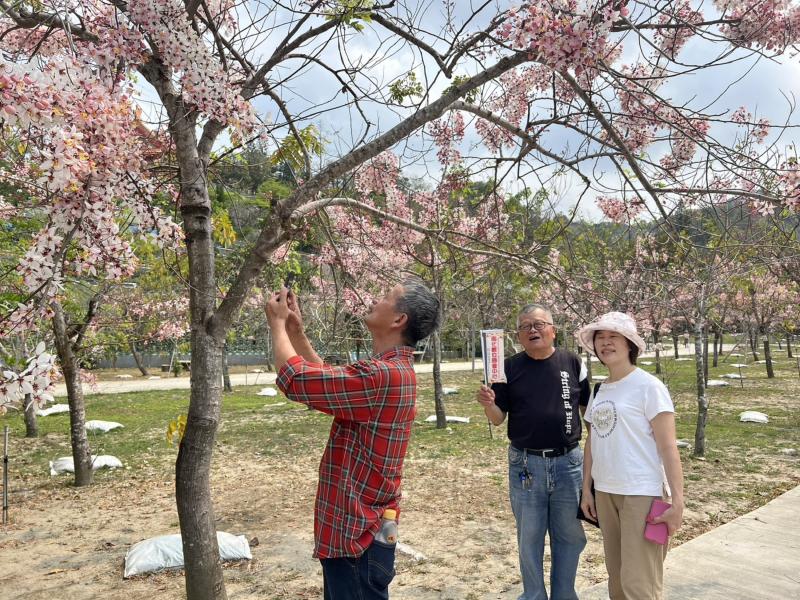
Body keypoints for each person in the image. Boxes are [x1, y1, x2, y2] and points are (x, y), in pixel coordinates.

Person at [265, 277, 440, 600]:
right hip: (361, 531)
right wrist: (295, 332)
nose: (376, 299)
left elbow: (296, 381)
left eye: (387, 295)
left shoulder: (382, 376)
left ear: (400, 319)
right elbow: (328, 381)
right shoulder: (386, 372)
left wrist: (276, 324)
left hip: (356, 534)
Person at [476, 304, 589, 600]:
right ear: (518, 335)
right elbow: (499, 418)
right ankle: (534, 595)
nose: (533, 330)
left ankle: (565, 595)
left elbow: (588, 409)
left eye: (539, 324)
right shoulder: (509, 368)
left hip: (569, 463)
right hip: (526, 464)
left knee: (570, 536)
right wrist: (488, 403)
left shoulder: (572, 362)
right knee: (530, 538)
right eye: (525, 326)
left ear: (553, 330)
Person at [576, 312, 684, 600]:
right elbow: (592, 441)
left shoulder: (649, 387)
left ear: (629, 345)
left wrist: (677, 502)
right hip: (607, 492)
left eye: (614, 337)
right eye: (600, 337)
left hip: (641, 493)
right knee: (618, 579)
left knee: (640, 584)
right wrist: (587, 490)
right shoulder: (600, 389)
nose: (606, 343)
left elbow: (668, 447)